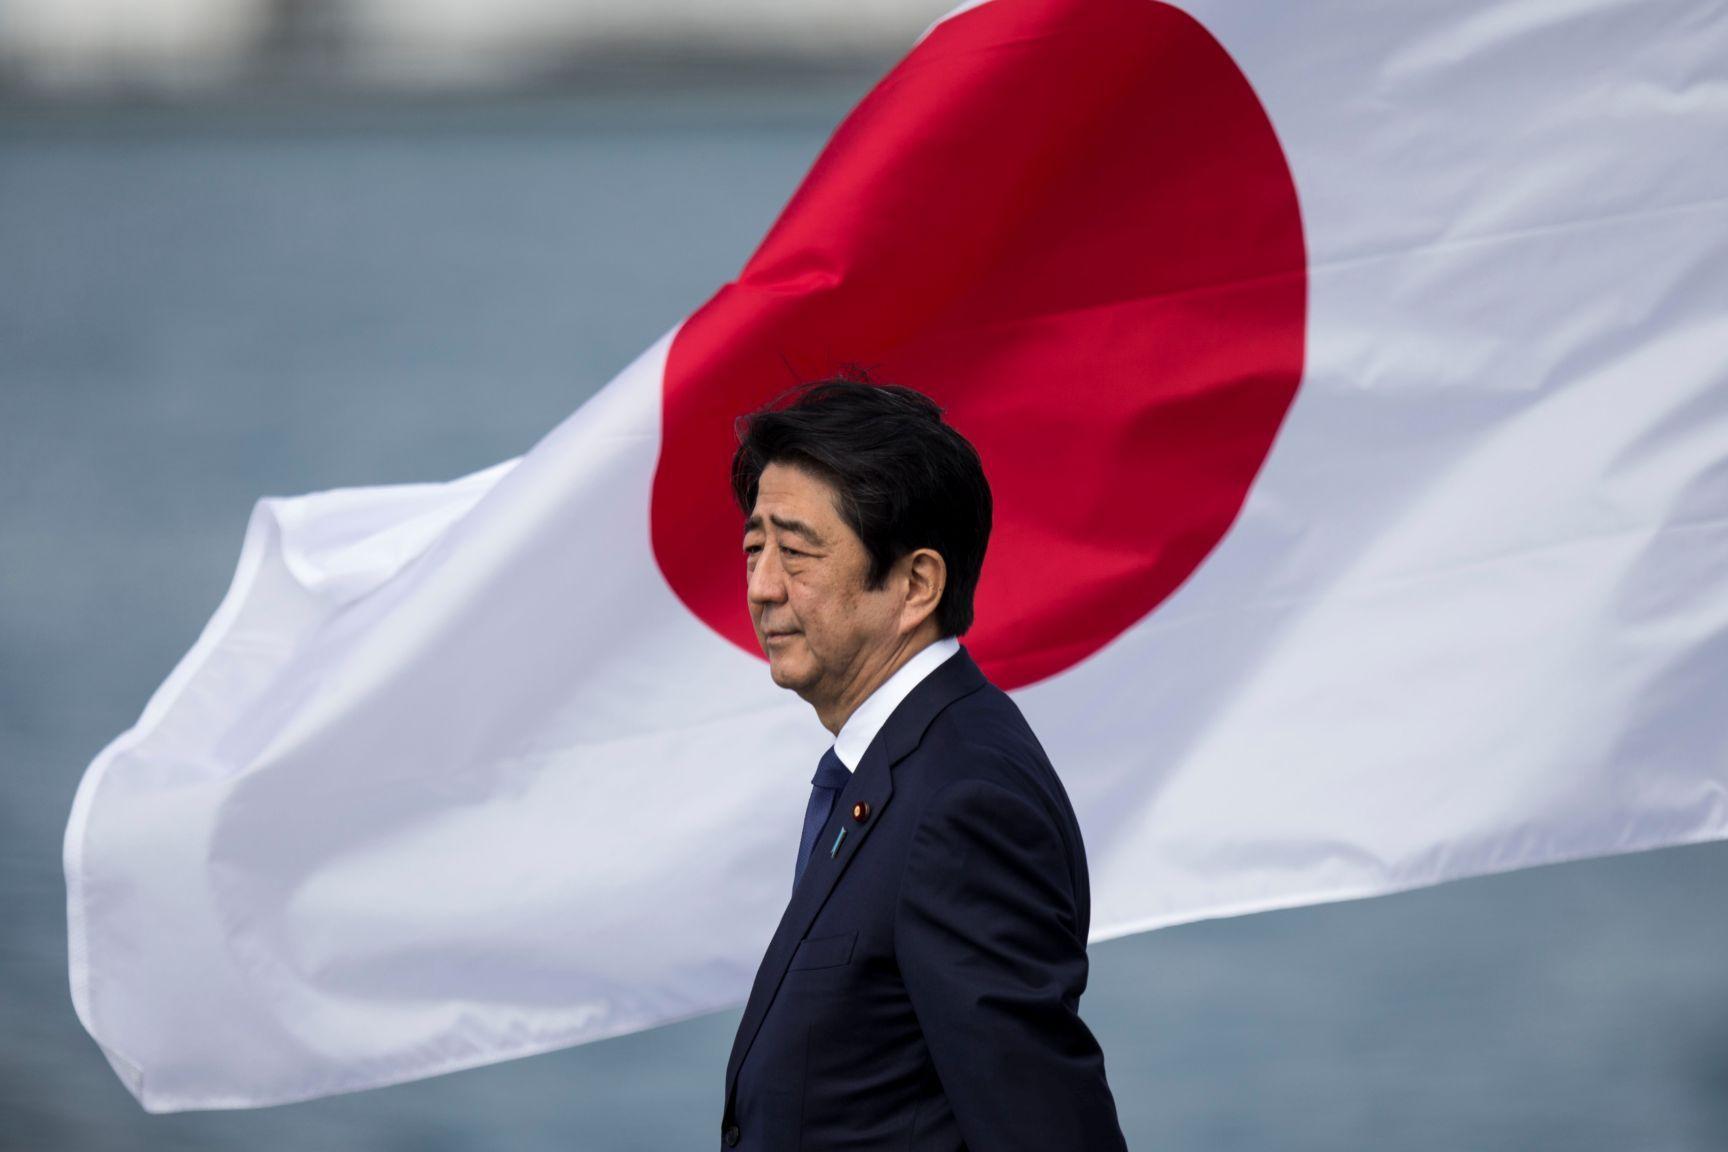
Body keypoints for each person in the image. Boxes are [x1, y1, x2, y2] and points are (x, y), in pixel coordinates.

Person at [719, 378, 1128, 1150]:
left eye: (795, 553)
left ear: (915, 585)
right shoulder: (899, 769)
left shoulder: (963, 803)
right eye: (753, 549)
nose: (763, 587)